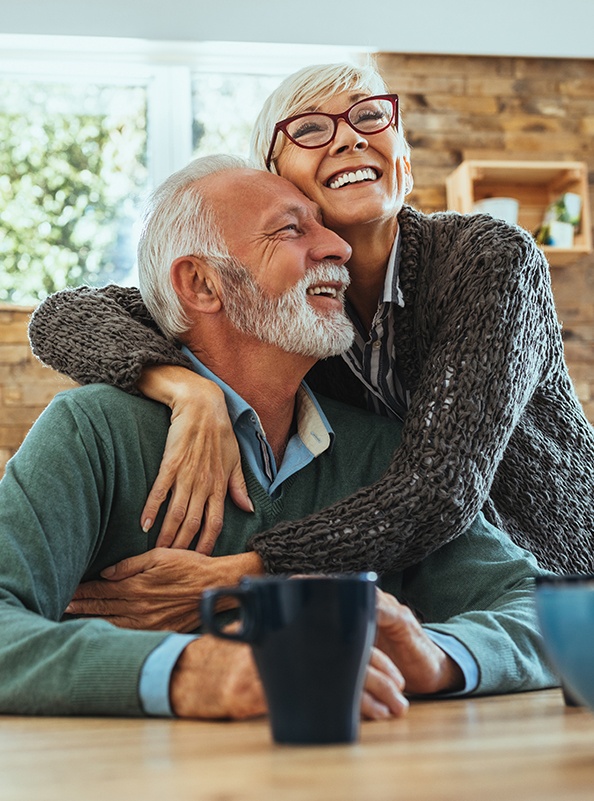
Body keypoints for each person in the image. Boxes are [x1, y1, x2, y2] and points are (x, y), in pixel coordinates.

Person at [2, 155, 555, 720]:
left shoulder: (380, 451)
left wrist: (438, 656)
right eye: (292, 229)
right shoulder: (92, 434)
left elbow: (543, 609)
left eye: (325, 226)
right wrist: (192, 670)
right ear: (200, 283)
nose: (337, 247)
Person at [29, 62, 594, 581]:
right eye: (310, 129)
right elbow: (65, 316)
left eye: (369, 116)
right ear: (276, 177)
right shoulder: (291, 305)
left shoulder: (489, 258)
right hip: (414, 578)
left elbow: (439, 489)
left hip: (551, 575)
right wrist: (185, 388)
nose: (350, 136)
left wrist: (242, 573)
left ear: (404, 157)